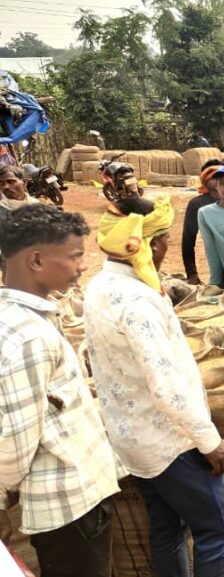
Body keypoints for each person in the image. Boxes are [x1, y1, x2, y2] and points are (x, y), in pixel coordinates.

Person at [85, 197, 224, 577]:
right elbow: (164, 382)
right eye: (165, 239)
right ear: (151, 245)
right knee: (219, 527)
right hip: (170, 439)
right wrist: (207, 440)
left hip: (132, 436)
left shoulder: (99, 286)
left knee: (168, 526)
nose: (168, 246)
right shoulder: (138, 303)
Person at [0, 205, 120, 577]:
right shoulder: (25, 337)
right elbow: (14, 440)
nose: (83, 265)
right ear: (36, 260)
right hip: (68, 506)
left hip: (76, 499)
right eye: (75, 256)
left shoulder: (29, 320)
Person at [181, 160, 224, 285]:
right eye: (213, 176)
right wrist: (192, 274)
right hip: (216, 261)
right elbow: (188, 241)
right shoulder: (197, 204)